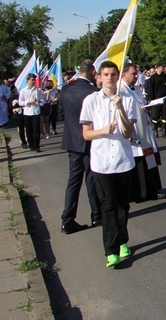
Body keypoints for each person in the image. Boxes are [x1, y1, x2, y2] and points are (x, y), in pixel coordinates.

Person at [80, 60, 137, 268]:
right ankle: (110, 250)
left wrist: (120, 109)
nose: (110, 78)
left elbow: (128, 133)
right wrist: (103, 130)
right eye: (106, 74)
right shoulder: (91, 101)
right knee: (108, 206)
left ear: (118, 76)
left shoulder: (127, 100)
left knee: (123, 205)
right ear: (99, 77)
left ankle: (122, 241)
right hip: (101, 162)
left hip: (123, 161)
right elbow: (86, 133)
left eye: (113, 74)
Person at [60, 60, 101, 234]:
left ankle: (67, 219)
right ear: (92, 72)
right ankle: (97, 214)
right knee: (92, 180)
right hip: (88, 140)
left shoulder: (66, 90)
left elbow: (63, 114)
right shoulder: (92, 93)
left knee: (73, 181)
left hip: (72, 141)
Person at [122, 64, 164, 202]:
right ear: (124, 75)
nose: (136, 76)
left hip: (143, 127)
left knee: (148, 158)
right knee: (138, 160)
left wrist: (147, 107)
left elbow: (141, 103)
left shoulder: (136, 88)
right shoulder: (121, 90)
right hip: (133, 130)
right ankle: (141, 193)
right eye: (133, 74)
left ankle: (151, 190)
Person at [145, 62, 166, 138]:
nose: (163, 68)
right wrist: (151, 99)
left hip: (164, 99)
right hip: (156, 99)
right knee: (155, 116)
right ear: (157, 67)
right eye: (162, 66)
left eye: (164, 66)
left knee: (164, 115)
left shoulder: (165, 77)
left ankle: (164, 132)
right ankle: (155, 131)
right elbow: (150, 90)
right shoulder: (153, 78)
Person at [18, 73, 43, 152]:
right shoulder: (23, 91)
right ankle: (31, 145)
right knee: (29, 130)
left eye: (34, 80)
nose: (33, 81)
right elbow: (20, 102)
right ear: (28, 80)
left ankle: (37, 146)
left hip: (36, 112)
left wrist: (39, 101)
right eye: (32, 80)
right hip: (27, 112)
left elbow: (43, 100)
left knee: (36, 129)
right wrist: (28, 102)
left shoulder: (38, 90)